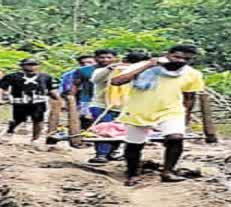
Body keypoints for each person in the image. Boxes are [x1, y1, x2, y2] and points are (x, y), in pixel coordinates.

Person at [110, 44, 205, 186]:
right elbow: (116, 81)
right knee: (134, 145)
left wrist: (186, 116)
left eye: (186, 59)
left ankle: (168, 172)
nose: (180, 61)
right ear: (167, 55)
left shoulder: (193, 74)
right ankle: (132, 174)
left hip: (171, 110)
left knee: (175, 138)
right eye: (176, 57)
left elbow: (189, 97)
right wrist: (148, 65)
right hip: (138, 110)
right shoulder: (142, 66)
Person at [71, 49, 120, 163]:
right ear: (96, 58)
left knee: (118, 130)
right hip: (99, 103)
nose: (106, 60)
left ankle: (112, 152)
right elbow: (92, 80)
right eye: (102, 57)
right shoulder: (94, 71)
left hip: (119, 104)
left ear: (115, 58)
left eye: (109, 57)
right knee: (104, 129)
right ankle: (101, 154)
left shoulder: (123, 69)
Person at [0, 58, 58, 143]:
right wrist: (2, 97)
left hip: (38, 101)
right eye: (29, 65)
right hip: (20, 101)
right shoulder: (12, 76)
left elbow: (51, 89)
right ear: (22, 66)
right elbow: (2, 87)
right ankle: (10, 130)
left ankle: (35, 138)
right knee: (18, 119)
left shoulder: (46, 77)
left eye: (34, 65)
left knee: (38, 120)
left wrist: (57, 99)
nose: (32, 67)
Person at [59, 54, 97, 129]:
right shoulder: (69, 75)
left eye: (89, 62)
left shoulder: (101, 72)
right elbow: (64, 89)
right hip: (79, 100)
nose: (86, 65)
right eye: (83, 63)